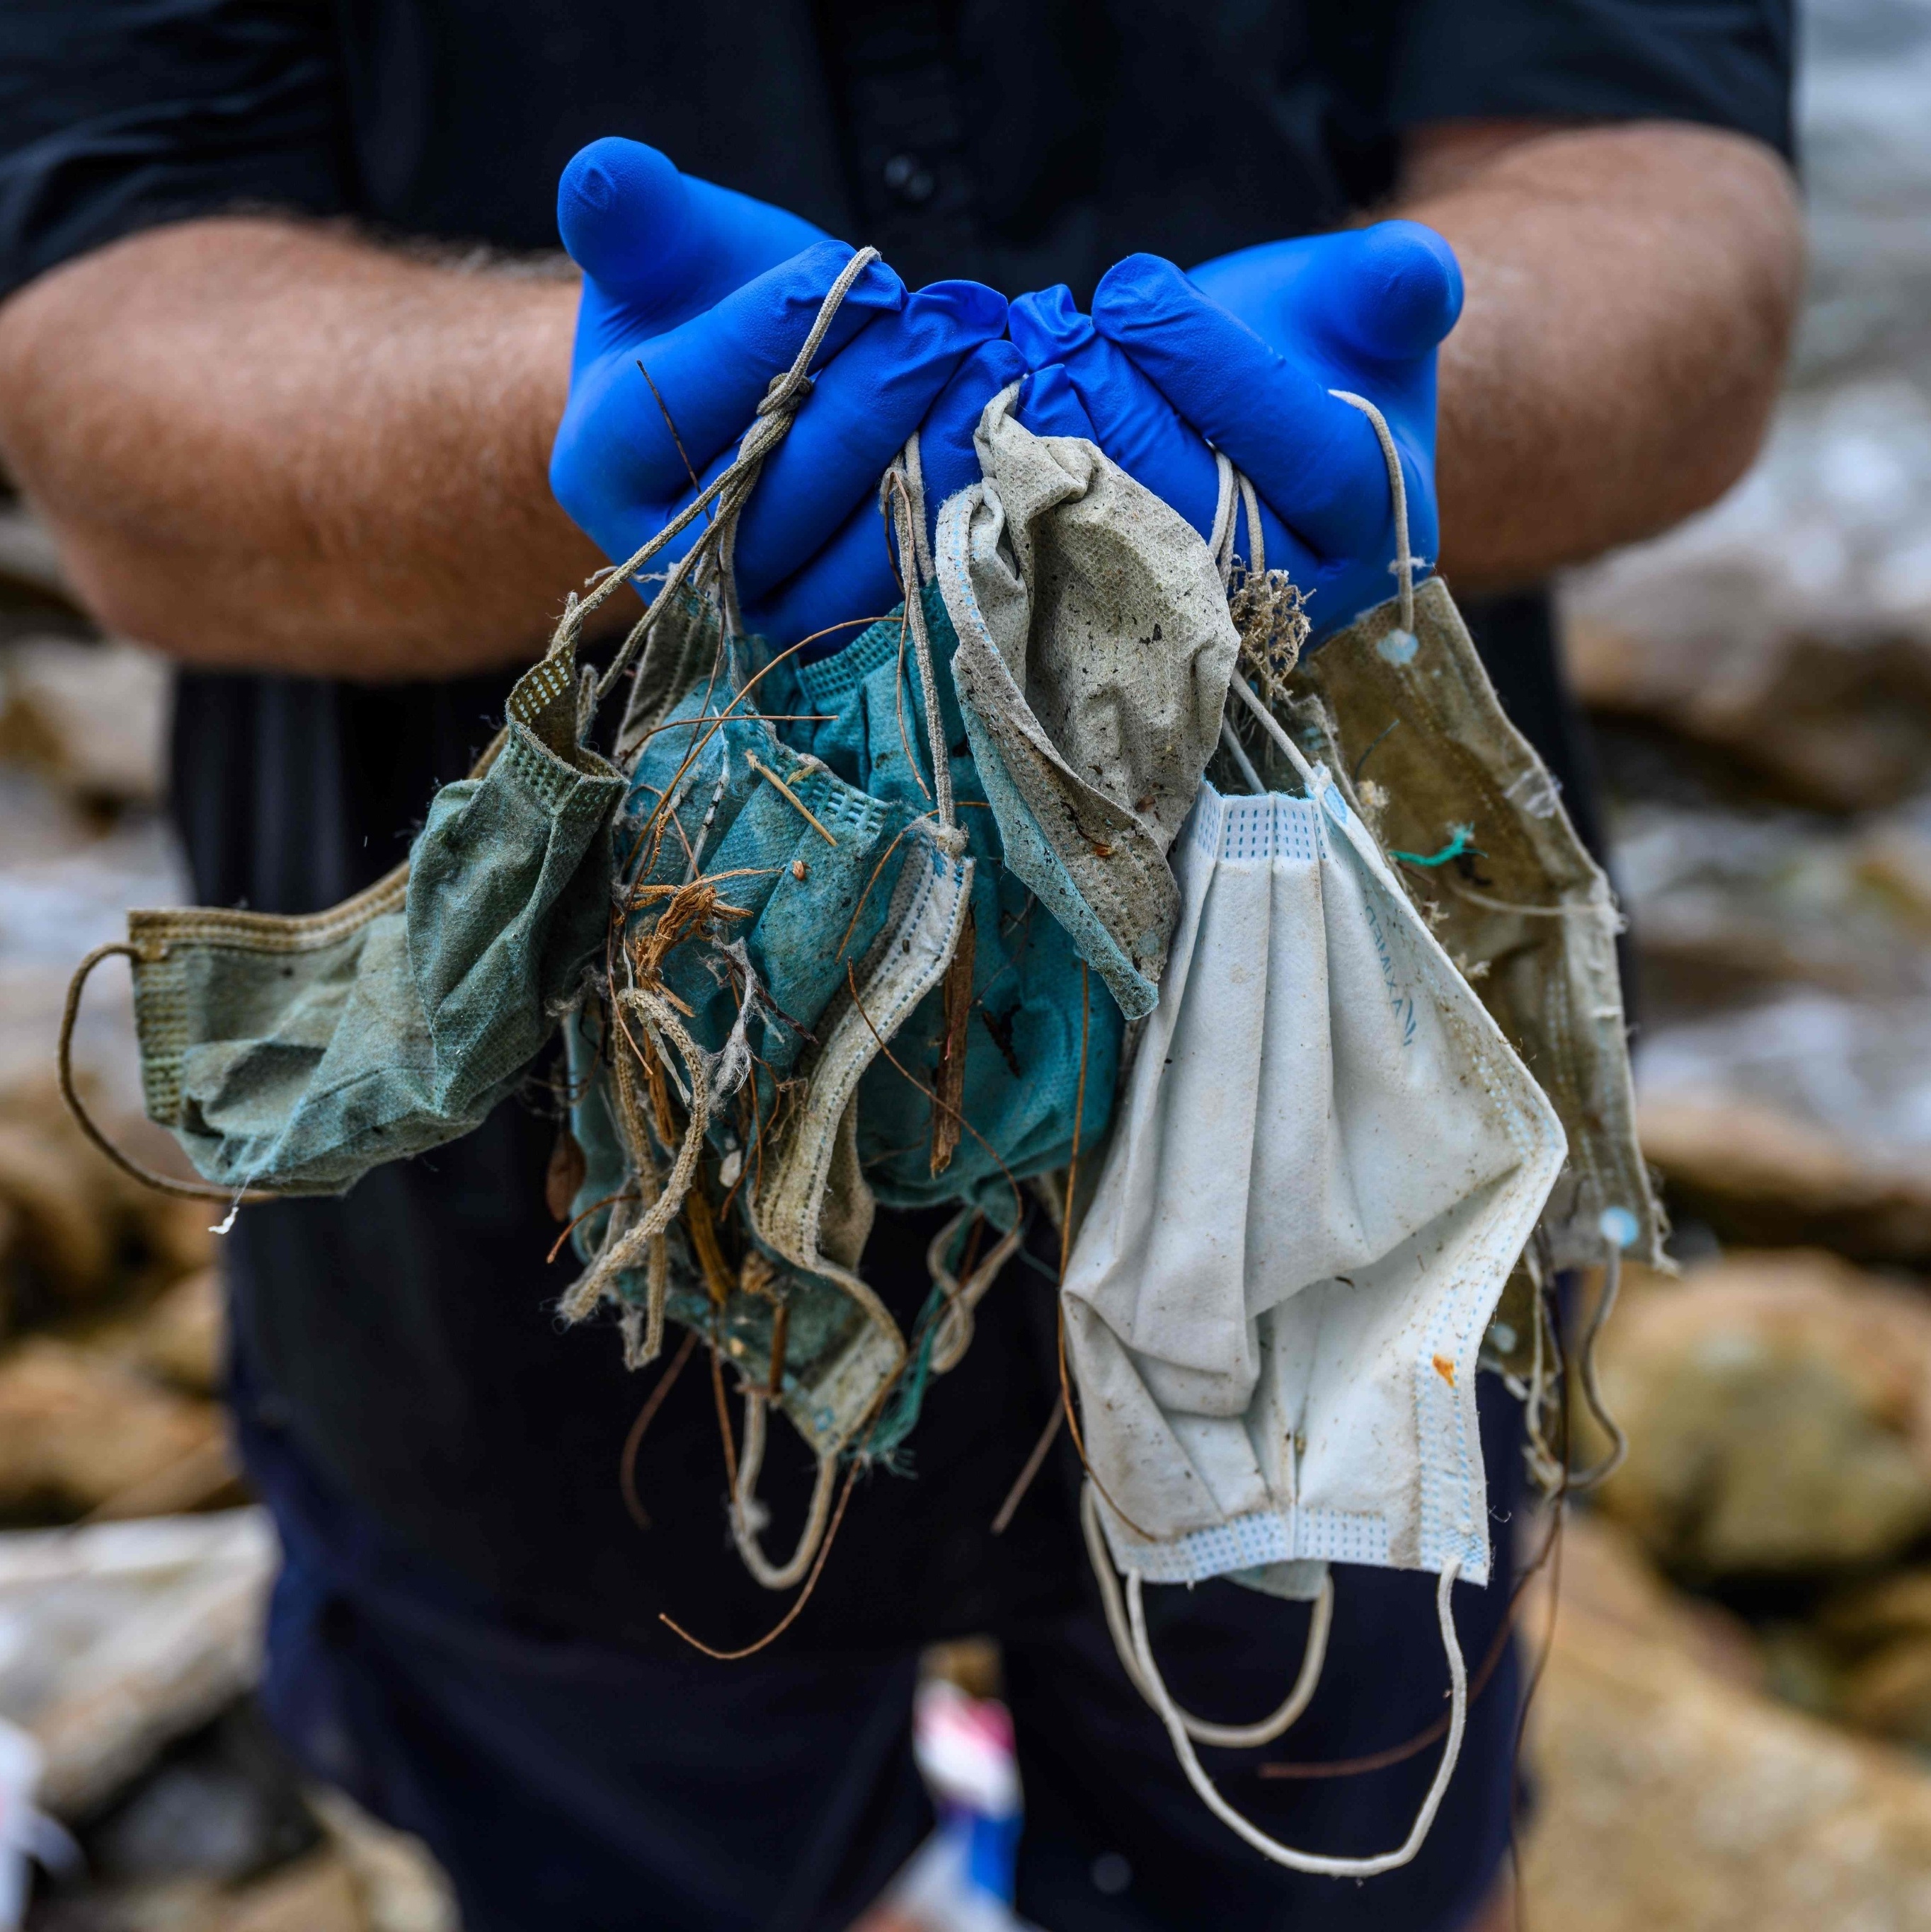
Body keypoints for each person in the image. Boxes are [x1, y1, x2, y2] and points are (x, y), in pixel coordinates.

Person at [0, 5, 1801, 1928]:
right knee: (617, 1848)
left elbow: (1665, 190)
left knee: (1337, 1855)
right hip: (536, 1255)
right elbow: (105, 320)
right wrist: (555, 431)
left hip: (1341, 1170)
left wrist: (1435, 382)